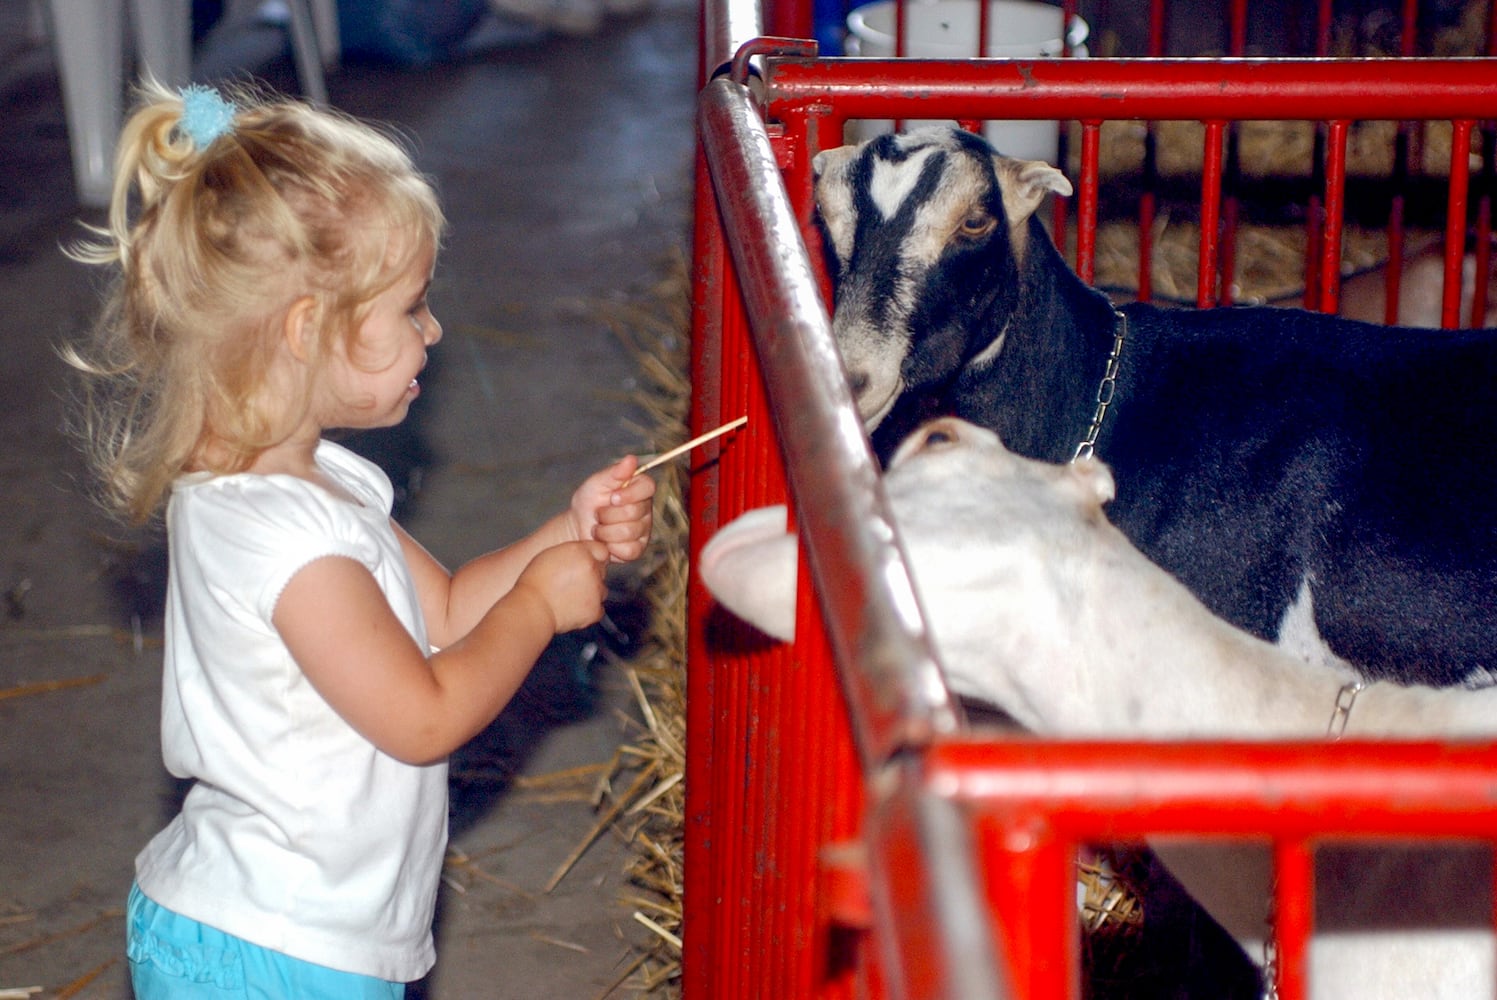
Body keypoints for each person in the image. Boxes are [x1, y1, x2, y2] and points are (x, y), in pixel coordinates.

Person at [62, 80, 656, 998]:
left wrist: (562, 535)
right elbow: (422, 717)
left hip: (284, 931)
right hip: (279, 953)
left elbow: (451, 610)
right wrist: (539, 607)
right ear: (309, 333)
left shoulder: (316, 483)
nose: (434, 328)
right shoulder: (290, 544)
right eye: (411, 307)